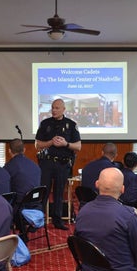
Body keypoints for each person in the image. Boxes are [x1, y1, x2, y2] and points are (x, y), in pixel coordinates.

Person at [74, 167, 137, 271]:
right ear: (123, 189)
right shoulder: (127, 216)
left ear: (97, 184)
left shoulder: (83, 212)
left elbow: (79, 245)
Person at [35, 98, 81, 230]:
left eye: (57, 108)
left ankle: (57, 220)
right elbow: (38, 144)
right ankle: (39, 219)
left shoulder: (71, 125)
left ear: (63, 109)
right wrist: (50, 142)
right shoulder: (45, 123)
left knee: (59, 193)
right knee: (44, 192)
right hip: (47, 163)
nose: (54, 110)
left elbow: (78, 146)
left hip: (63, 164)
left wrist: (65, 144)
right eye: (52, 108)